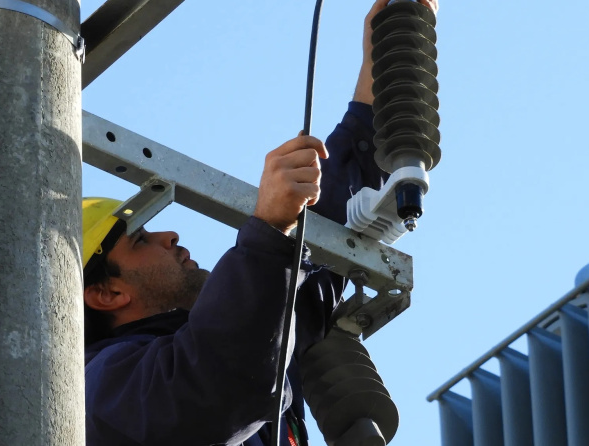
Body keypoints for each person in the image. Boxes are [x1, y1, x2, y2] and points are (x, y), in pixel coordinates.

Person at [82, 1, 439, 445]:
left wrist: (382, 57)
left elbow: (323, 247)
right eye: (138, 240)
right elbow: (213, 383)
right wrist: (267, 230)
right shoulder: (100, 389)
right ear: (106, 292)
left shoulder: (251, 346)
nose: (169, 234)